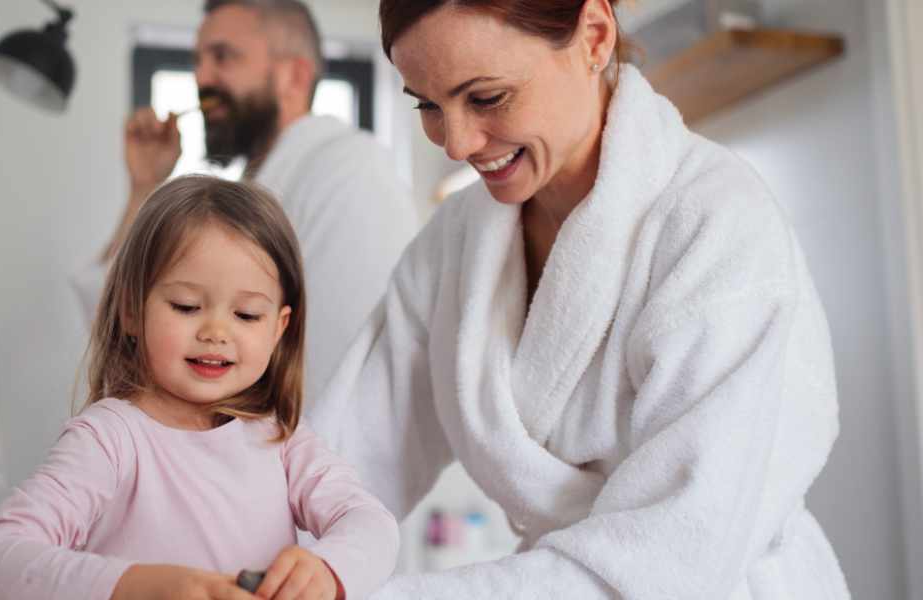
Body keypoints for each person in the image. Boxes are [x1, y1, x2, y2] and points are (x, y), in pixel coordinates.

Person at [307, 0, 849, 597]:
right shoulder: (454, 245)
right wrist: (258, 564)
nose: (456, 144)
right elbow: (341, 463)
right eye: (429, 106)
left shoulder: (716, 225)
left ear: (593, 36)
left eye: (486, 98)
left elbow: (672, 559)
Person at [0, 176, 399, 600]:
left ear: (278, 329)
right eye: (187, 307)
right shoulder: (110, 440)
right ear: (131, 312)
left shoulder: (283, 442)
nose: (215, 331)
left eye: (247, 315)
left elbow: (371, 524)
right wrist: (142, 586)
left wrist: (326, 569)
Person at [75, 0, 419, 402]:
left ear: (293, 76)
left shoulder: (352, 171)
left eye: (223, 57)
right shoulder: (252, 191)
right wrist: (144, 186)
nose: (201, 77)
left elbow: (335, 376)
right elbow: (123, 318)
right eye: (198, 61)